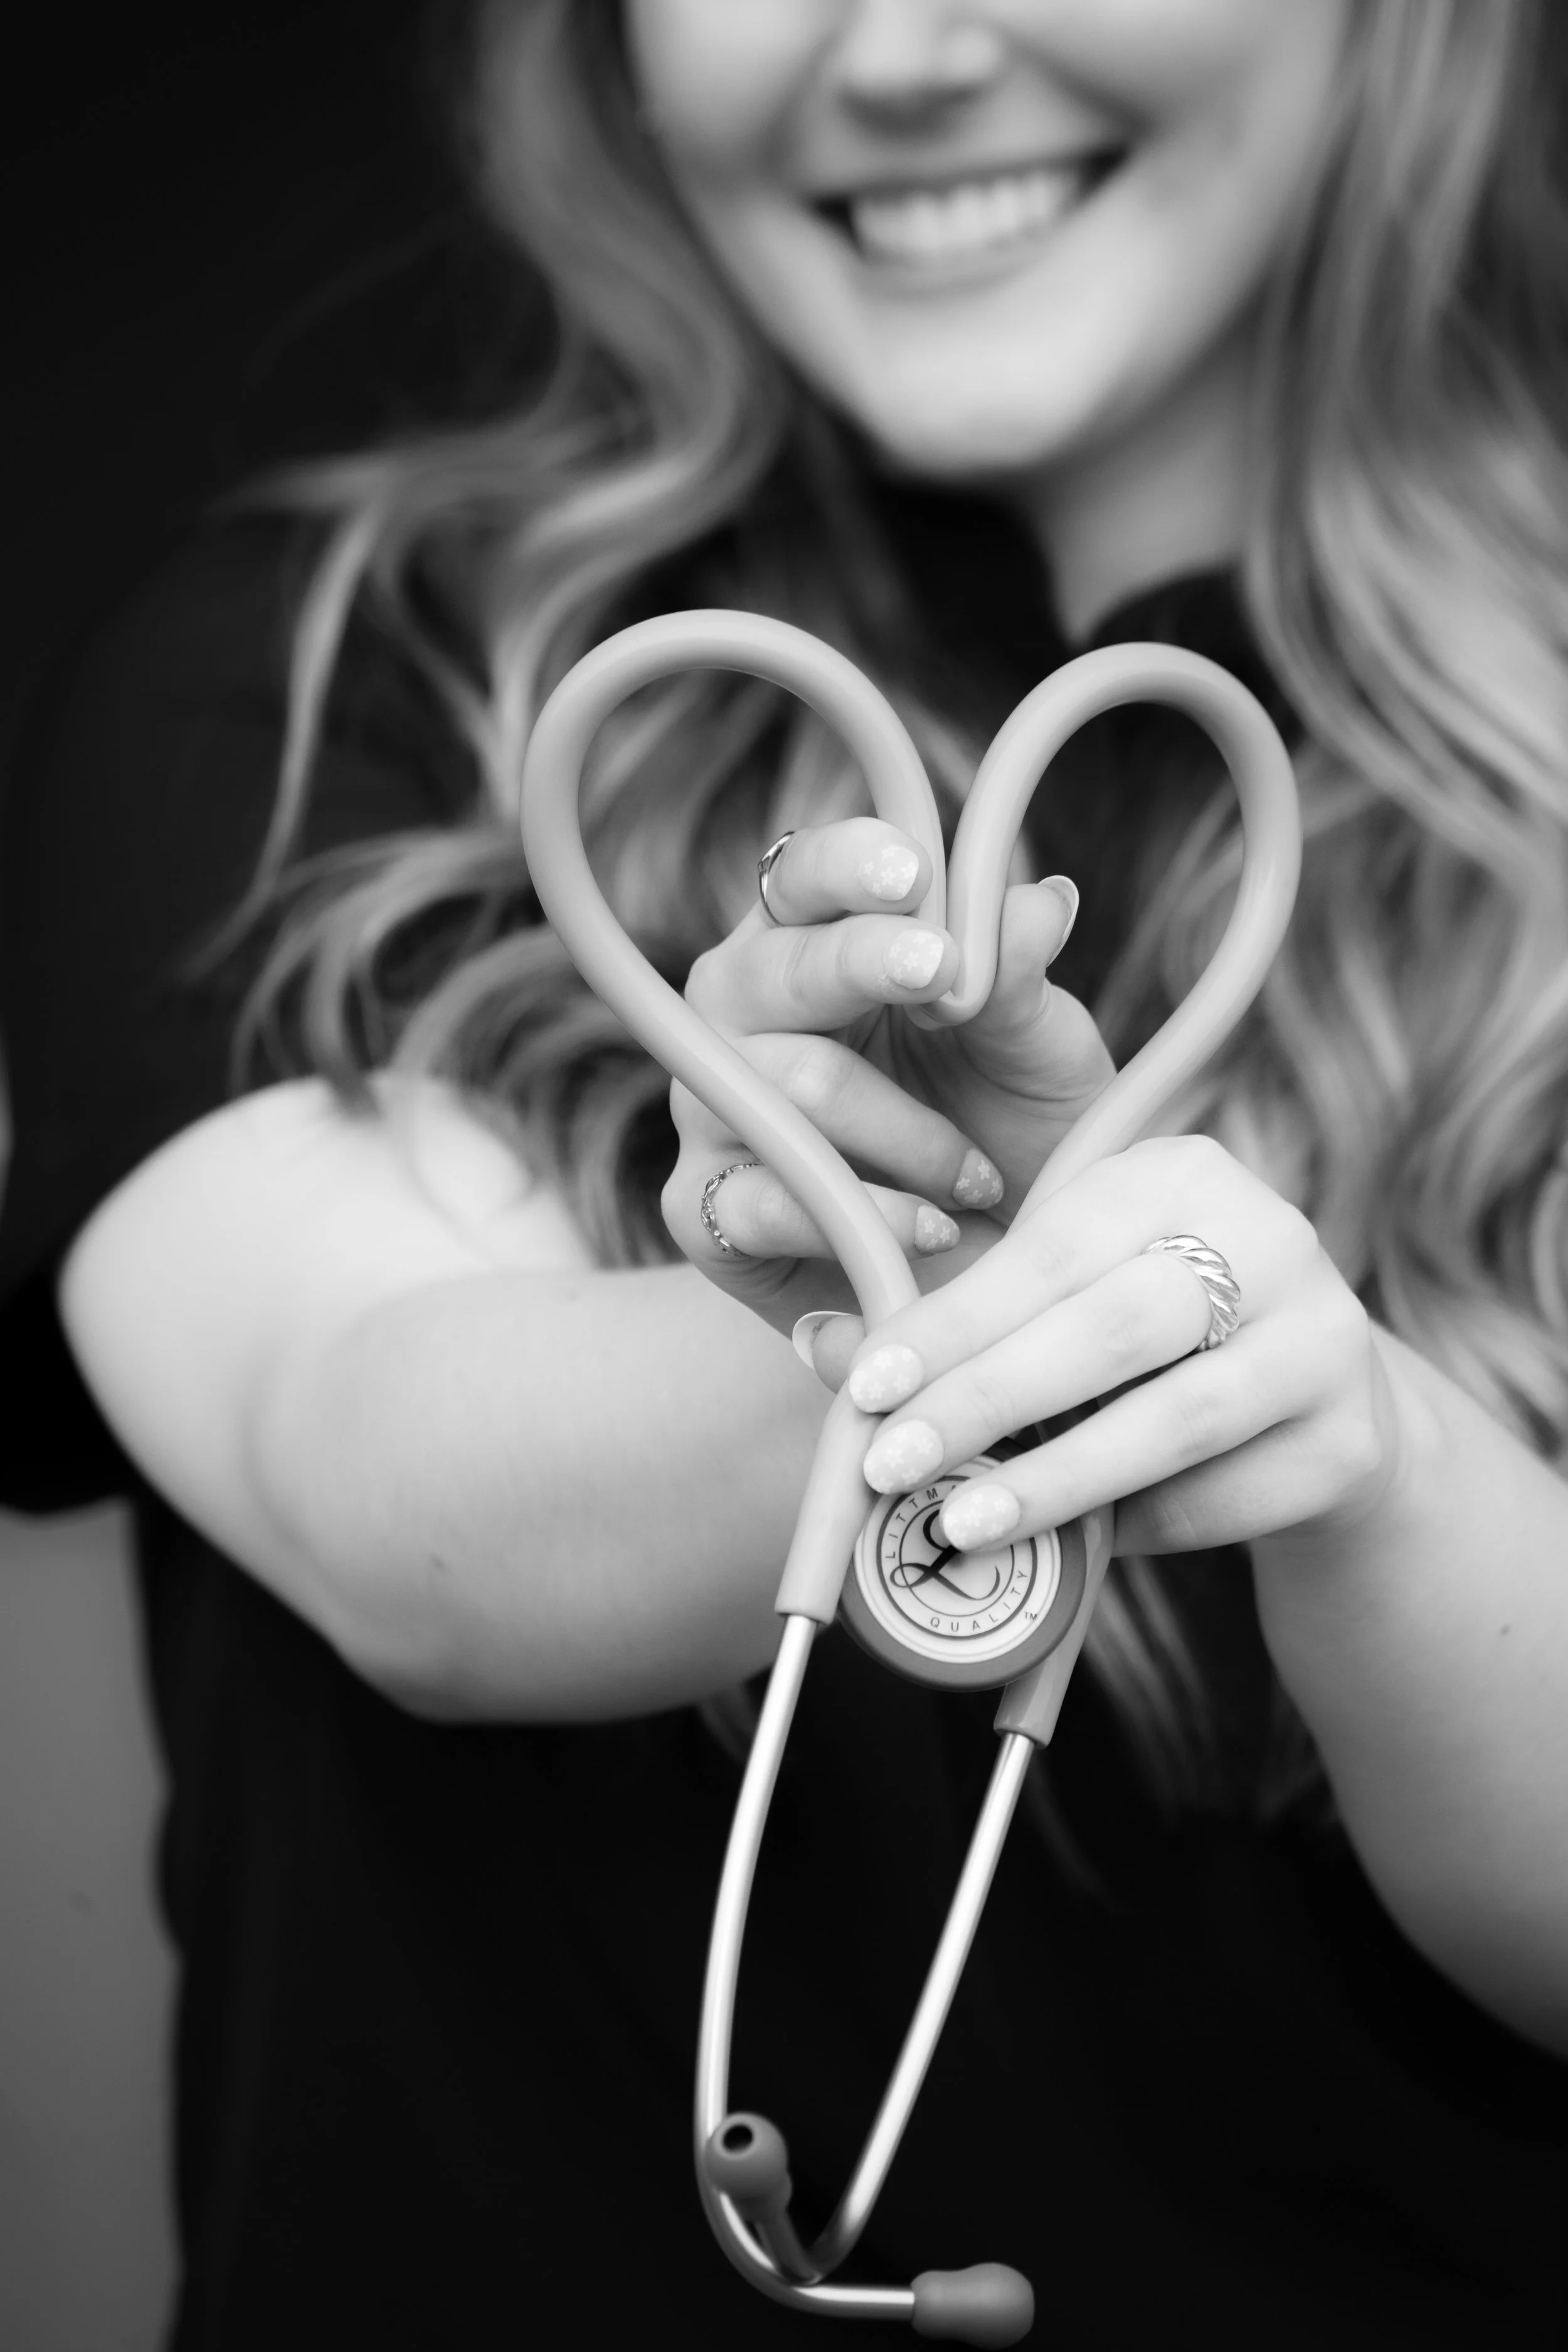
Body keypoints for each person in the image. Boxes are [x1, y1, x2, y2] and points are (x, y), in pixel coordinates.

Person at [3, 1, 1567, 2344]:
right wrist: (900, 1275)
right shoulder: (321, 691)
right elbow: (380, 1494)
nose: (912, 50)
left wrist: (1379, 1483)